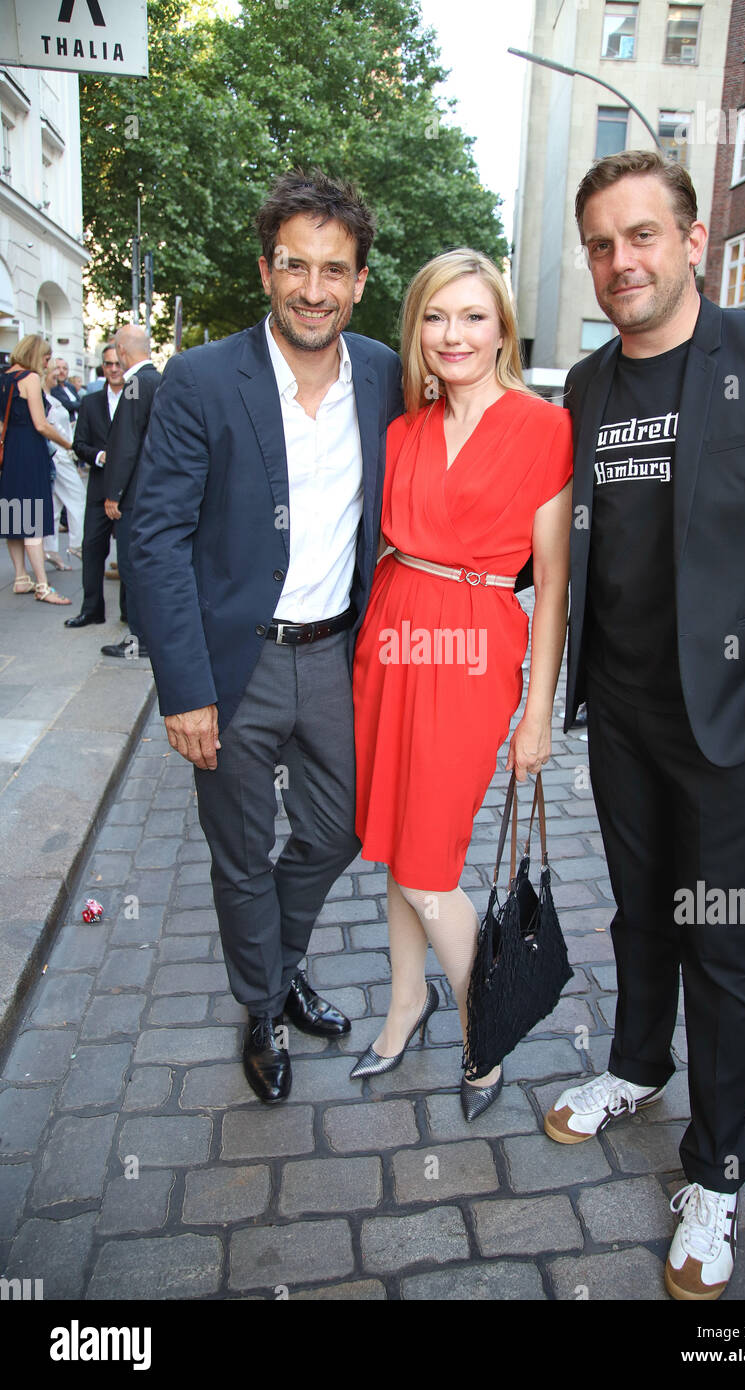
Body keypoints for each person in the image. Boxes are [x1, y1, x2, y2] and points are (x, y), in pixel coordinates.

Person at [545, 150, 745, 1300]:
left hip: (733, 724)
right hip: (622, 715)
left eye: (640, 235)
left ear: (690, 242)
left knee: (719, 944)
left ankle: (716, 1170)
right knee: (640, 910)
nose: (618, 260)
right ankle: (635, 1063)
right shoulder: (582, 388)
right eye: (598, 243)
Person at [129, 169, 403, 1104]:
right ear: (266, 271)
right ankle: (262, 1004)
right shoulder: (202, 379)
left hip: (335, 656)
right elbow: (154, 535)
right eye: (296, 265)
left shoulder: (383, 375)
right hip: (233, 665)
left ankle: (279, 970)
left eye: (335, 269)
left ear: (361, 280)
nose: (314, 288)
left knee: (340, 830)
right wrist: (184, 687)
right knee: (241, 853)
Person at [351, 250, 572, 1120]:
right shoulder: (403, 428)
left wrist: (537, 710)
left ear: (502, 328)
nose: (454, 335)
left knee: (429, 862)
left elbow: (552, 581)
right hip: (391, 639)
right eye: (437, 317)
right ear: (418, 329)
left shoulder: (543, 427)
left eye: (474, 317)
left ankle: (490, 1025)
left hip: (475, 649)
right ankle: (408, 1005)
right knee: (399, 847)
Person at [100, 326, 161, 660]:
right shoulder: (157, 380)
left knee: (133, 568)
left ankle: (139, 640)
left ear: (122, 350)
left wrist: (115, 493)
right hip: (151, 492)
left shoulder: (136, 384)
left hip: (135, 496)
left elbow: (126, 445)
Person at [0, 335, 73, 605]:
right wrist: (68, 443)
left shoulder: (4, 378)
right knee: (32, 522)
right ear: (35, 355)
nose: (47, 364)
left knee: (14, 516)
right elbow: (41, 424)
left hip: (10, 454)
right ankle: (42, 585)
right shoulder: (29, 378)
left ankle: (21, 578)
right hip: (30, 452)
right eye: (45, 358)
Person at [65, 343, 127, 628]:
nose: (113, 369)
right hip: (99, 488)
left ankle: (130, 613)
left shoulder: (135, 396)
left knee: (129, 554)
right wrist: (100, 456)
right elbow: (79, 445)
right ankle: (92, 610)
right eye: (107, 364)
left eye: (117, 363)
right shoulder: (90, 402)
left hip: (128, 490)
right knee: (91, 548)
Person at [41, 356, 87, 564]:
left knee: (54, 503)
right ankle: (74, 545)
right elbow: (45, 427)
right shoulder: (43, 397)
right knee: (76, 497)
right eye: (54, 369)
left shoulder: (54, 394)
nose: (58, 373)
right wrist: (70, 446)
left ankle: (49, 550)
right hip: (56, 454)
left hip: (58, 454)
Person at [51, 358, 83, 422]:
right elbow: (67, 405)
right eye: (58, 368)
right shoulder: (52, 387)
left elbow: (80, 403)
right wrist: (82, 405)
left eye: (64, 368)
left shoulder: (70, 387)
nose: (61, 371)